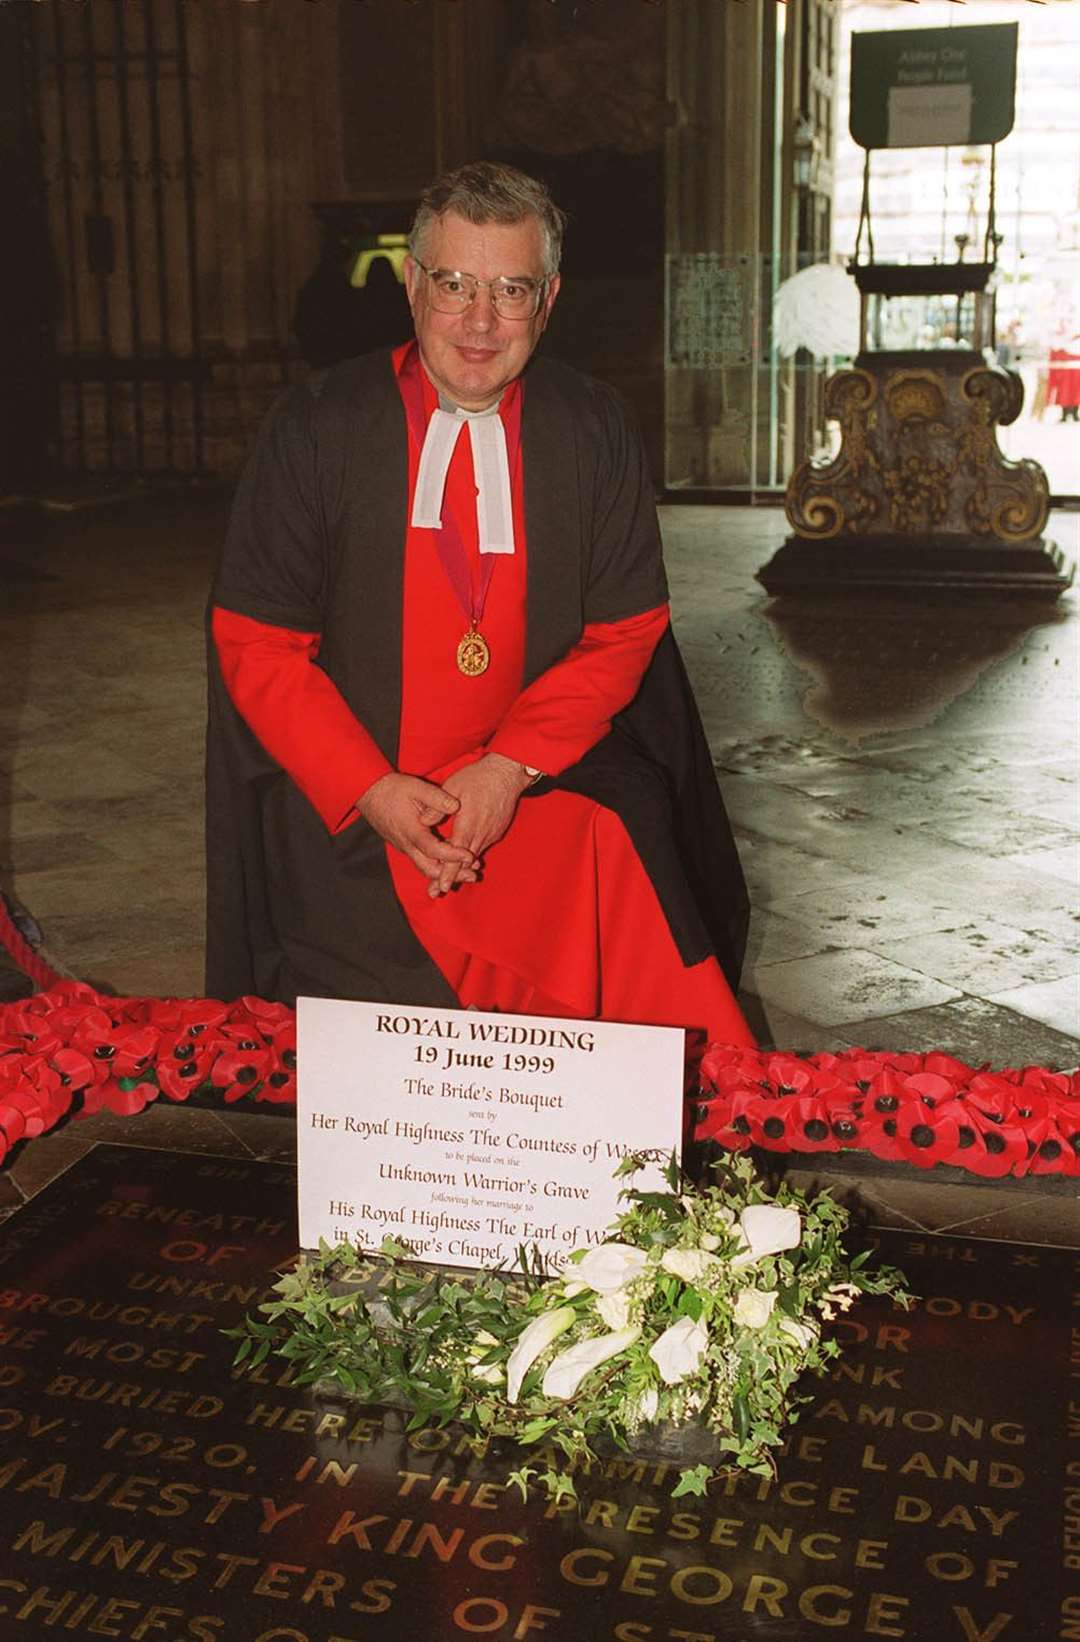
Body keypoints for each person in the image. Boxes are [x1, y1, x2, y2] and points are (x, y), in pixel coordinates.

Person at [206, 161, 752, 1050]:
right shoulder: (318, 426)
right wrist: (373, 789)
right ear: (414, 284)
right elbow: (256, 643)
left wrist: (509, 768)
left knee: (624, 859)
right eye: (456, 284)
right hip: (355, 801)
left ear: (549, 299)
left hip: (536, 781)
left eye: (511, 289)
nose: (480, 321)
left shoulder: (593, 427)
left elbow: (626, 629)